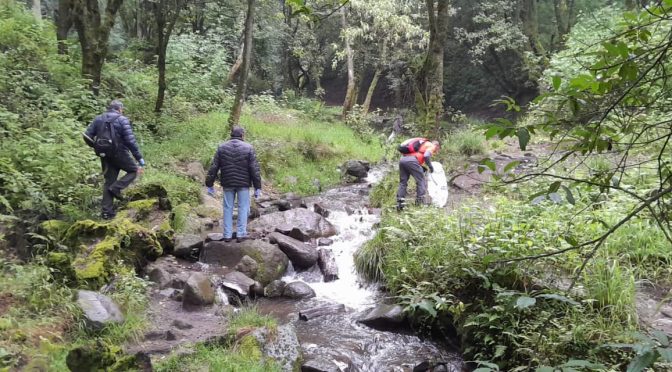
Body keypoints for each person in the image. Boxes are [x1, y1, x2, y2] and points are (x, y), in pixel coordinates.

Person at [83, 100, 145, 220]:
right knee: (133, 170)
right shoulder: (122, 120)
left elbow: (86, 136)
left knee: (109, 181)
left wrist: (96, 147)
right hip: (119, 153)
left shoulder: (98, 119)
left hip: (104, 155)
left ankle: (107, 213)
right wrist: (139, 157)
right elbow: (130, 141)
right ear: (119, 109)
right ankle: (116, 188)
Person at [205, 126, 262, 243]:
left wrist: (209, 184)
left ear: (231, 134)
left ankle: (227, 235)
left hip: (228, 183)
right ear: (242, 135)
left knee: (227, 208)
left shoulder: (222, 147)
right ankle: (241, 234)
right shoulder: (249, 148)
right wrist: (257, 187)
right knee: (243, 207)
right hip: (243, 184)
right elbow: (254, 169)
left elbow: (214, 167)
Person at [396, 137, 440, 211]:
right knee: (421, 181)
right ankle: (419, 203)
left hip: (403, 160)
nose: (436, 152)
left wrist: (422, 167)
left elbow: (416, 156)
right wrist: (430, 166)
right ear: (437, 146)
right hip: (412, 161)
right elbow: (426, 155)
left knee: (403, 182)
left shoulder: (422, 144)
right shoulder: (431, 145)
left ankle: (400, 204)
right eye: (437, 150)